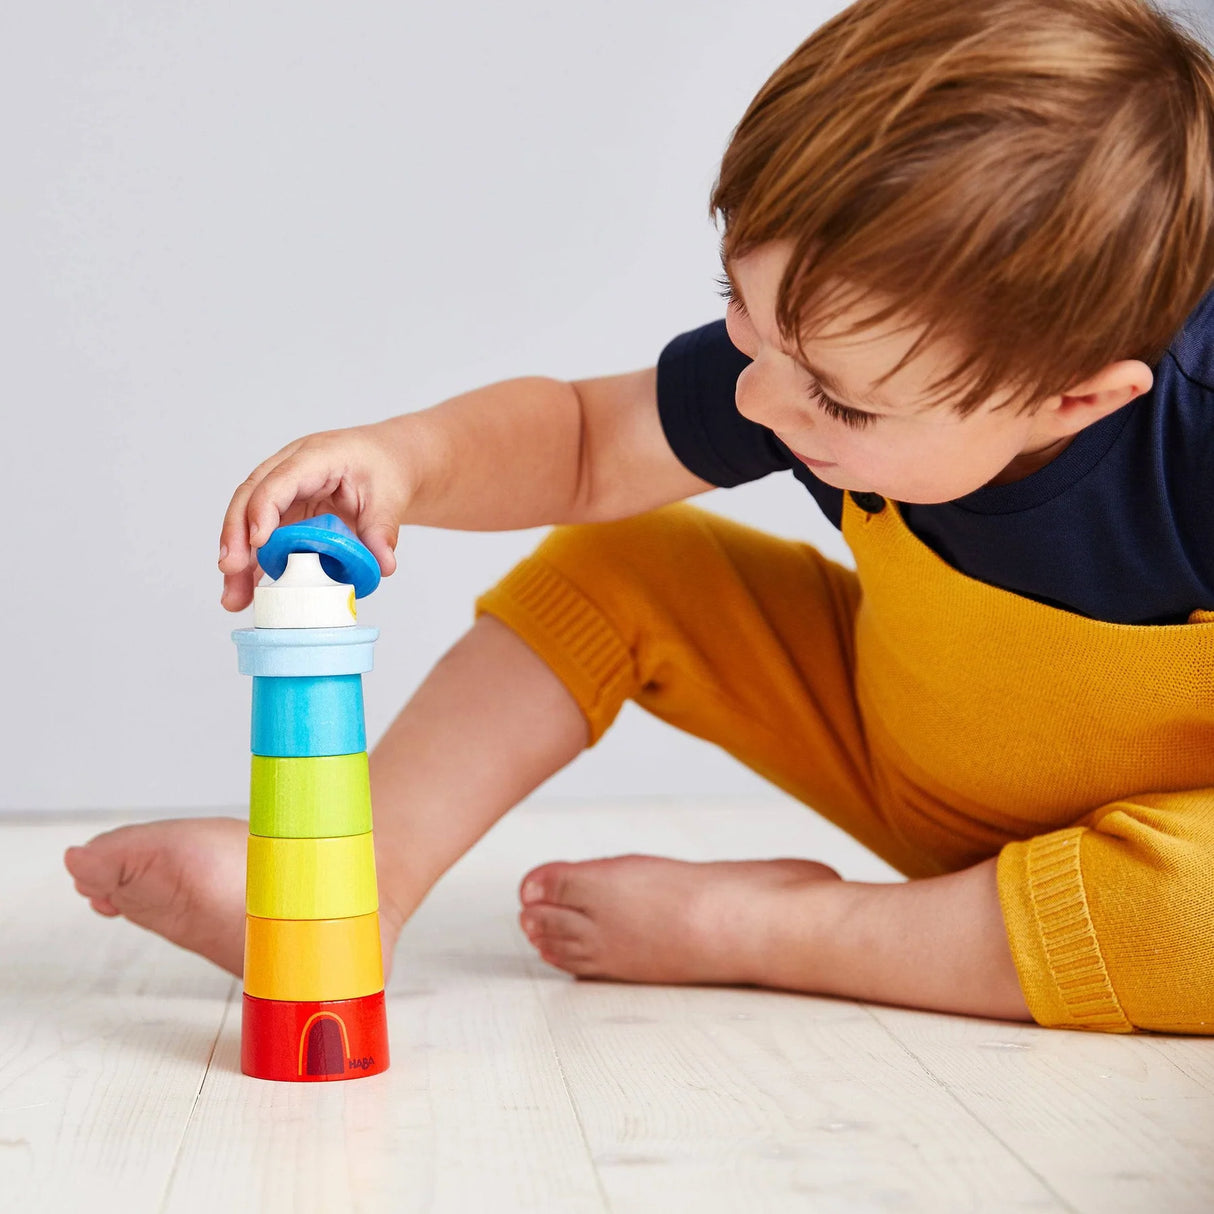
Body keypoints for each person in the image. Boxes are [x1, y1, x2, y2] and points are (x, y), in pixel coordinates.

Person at [65, 0, 1214, 1032]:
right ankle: (351, 891)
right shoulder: (818, 358)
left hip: (1145, 856)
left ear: (1077, 397)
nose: (759, 399)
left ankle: (786, 930)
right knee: (620, 555)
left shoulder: (1190, 443)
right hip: (897, 741)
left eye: (838, 400)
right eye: (743, 316)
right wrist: (402, 457)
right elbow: (582, 443)